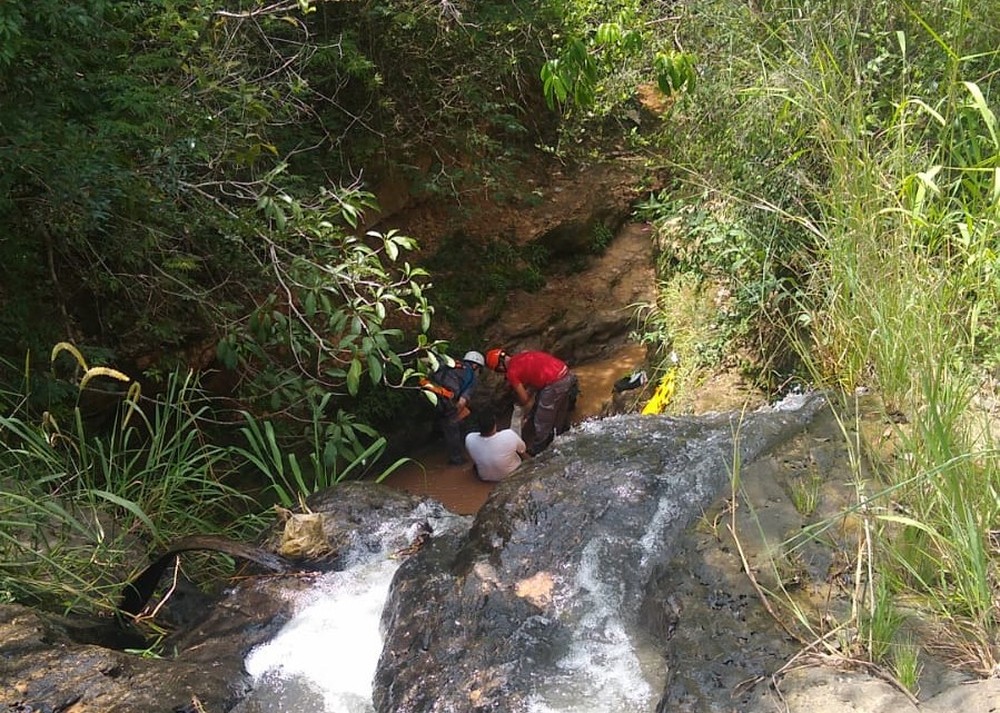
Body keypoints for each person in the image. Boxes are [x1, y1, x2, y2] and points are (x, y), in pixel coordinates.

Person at [484, 347, 578, 456]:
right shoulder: (523, 354)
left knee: (542, 418)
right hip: (566, 373)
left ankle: (539, 447)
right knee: (560, 408)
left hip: (555, 383)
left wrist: (521, 406)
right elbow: (535, 376)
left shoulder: (512, 373)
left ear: (500, 367)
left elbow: (524, 399)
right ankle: (561, 432)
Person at [422, 351, 485, 465]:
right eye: (479, 370)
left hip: (427, 391)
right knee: (453, 427)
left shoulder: (451, 363)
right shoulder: (472, 378)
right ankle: (457, 459)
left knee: (444, 420)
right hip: (446, 399)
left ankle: (437, 437)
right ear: (475, 366)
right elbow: (462, 402)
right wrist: (455, 416)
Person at [464, 407, 527, 482]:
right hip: (511, 475)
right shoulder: (509, 434)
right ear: (495, 424)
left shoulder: (469, 438)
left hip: (485, 477)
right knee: (518, 452)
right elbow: (523, 451)